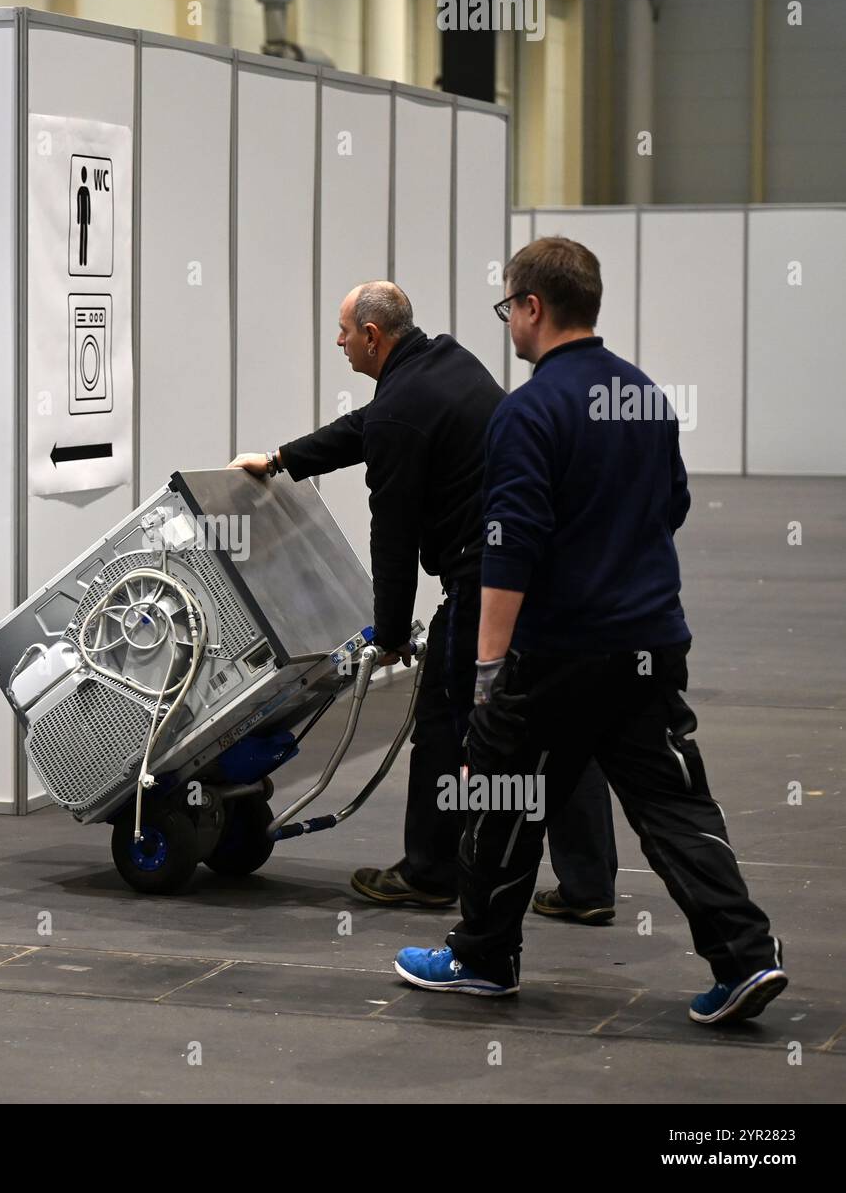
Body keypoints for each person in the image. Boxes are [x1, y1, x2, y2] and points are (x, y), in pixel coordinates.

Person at [395, 237, 786, 1025]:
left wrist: (485, 677)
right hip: (650, 642)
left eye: (509, 307)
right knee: (675, 805)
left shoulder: (529, 411)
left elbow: (509, 551)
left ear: (533, 308)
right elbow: (670, 506)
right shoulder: (643, 395)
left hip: (561, 653)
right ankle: (745, 957)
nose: (508, 322)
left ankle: (481, 957)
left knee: (506, 794)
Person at [230, 280, 616, 913]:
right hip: (551, 574)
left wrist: (386, 634)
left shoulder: (401, 407)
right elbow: (367, 428)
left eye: (345, 331)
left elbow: (395, 533)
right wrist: (280, 459)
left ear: (374, 337)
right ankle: (589, 885)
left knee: (442, 722)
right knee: (562, 724)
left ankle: (432, 872)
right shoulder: (447, 363)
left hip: (487, 584)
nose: (339, 341)